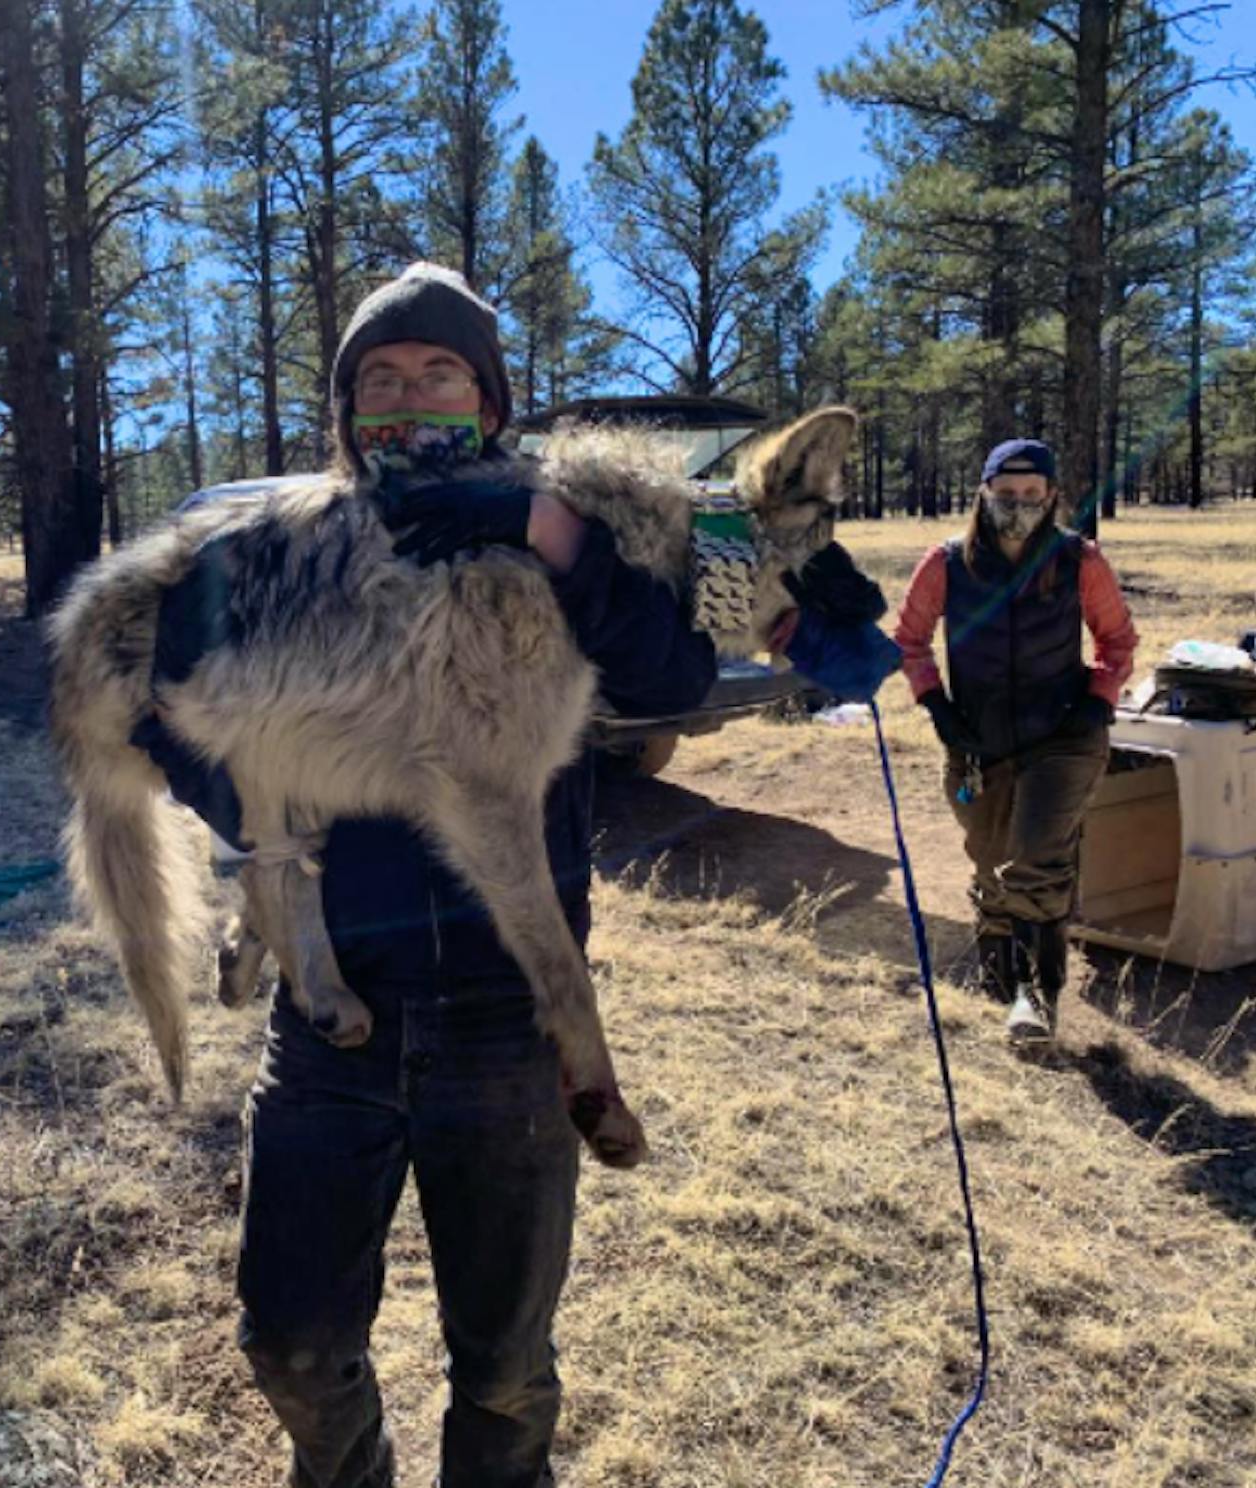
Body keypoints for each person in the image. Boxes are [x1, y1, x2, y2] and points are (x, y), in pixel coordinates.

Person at [131, 261, 872, 1487]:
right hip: (330, 1031)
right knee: (291, 1341)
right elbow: (171, 725)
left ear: (487, 402)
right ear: (342, 411)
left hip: (499, 1029)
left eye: (439, 375)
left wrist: (542, 534)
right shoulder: (271, 550)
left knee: (508, 1370)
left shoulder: (578, 525)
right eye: (378, 379)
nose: (408, 400)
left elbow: (669, 681)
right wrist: (242, 785)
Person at [892, 439, 1138, 1048]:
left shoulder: (1079, 561)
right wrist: (937, 707)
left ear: (1052, 496)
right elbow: (910, 640)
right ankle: (999, 971)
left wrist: (1097, 701)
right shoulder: (946, 563)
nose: (1019, 505)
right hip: (978, 740)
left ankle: (1037, 995)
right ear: (984, 491)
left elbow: (1118, 641)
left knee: (1034, 860)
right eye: (1007, 492)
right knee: (990, 858)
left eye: (1032, 494)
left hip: (1062, 736)